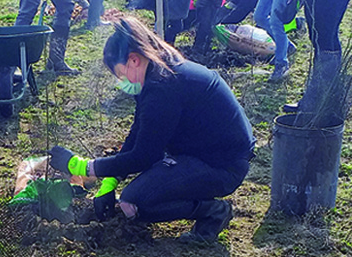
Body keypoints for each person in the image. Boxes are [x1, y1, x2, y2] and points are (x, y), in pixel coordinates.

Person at [48, 16, 255, 243]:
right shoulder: (158, 73)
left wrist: (82, 166)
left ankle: (213, 211)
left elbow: (144, 156)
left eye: (120, 74)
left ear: (133, 60)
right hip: (202, 155)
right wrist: (109, 183)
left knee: (134, 203)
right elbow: (138, 133)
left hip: (222, 166)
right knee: (132, 197)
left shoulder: (163, 88)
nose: (121, 82)